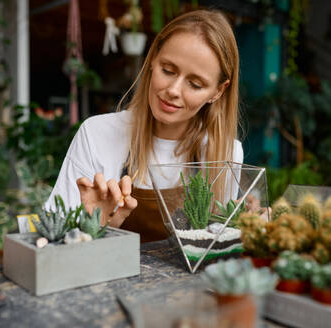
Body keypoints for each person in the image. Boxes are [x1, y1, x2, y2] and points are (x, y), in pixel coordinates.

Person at [45, 10, 243, 243]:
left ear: (218, 91)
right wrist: (94, 227)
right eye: (167, 70)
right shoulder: (96, 135)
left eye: (195, 84)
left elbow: (214, 250)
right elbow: (52, 241)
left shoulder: (226, 153)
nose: (173, 90)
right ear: (152, 61)